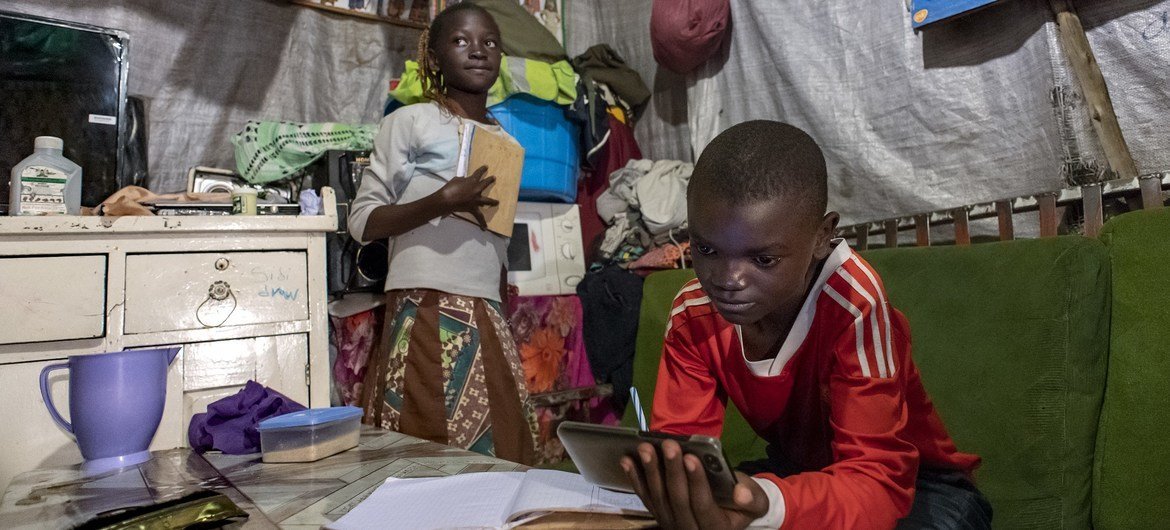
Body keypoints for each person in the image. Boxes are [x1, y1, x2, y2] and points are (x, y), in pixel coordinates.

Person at [621, 121, 992, 529]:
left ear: (822, 236)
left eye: (763, 259)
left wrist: (764, 504)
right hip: (802, 474)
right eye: (706, 249)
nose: (728, 280)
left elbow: (877, 483)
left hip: (918, 488)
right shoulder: (693, 315)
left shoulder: (854, 304)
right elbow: (680, 452)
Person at [348, 3, 537, 465]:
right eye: (461, 41)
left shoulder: (508, 146)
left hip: (485, 312)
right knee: (426, 439)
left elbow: (497, 245)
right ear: (432, 57)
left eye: (490, 43)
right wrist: (440, 202)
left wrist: (501, 309)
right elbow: (362, 221)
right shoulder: (409, 123)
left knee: (502, 442)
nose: (478, 51)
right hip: (425, 306)